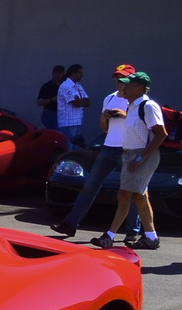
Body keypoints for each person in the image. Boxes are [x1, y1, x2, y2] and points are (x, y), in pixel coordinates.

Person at [51, 64, 142, 240]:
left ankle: (133, 231)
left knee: (130, 191)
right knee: (90, 186)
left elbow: (143, 128)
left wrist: (125, 115)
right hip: (108, 148)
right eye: (117, 78)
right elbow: (105, 129)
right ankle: (70, 224)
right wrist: (104, 118)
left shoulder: (138, 101)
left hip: (128, 150)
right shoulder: (109, 99)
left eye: (123, 79)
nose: (119, 82)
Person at [91, 69, 165, 251]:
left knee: (123, 195)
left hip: (141, 156)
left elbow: (161, 134)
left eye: (128, 85)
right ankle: (151, 237)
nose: (123, 87)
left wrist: (140, 158)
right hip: (131, 155)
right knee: (140, 197)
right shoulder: (131, 106)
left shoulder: (147, 106)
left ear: (139, 88)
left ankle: (109, 236)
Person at [56, 64, 89, 144]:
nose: (82, 75)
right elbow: (76, 103)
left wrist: (80, 100)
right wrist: (81, 101)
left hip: (77, 121)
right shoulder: (65, 86)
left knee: (76, 147)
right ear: (73, 73)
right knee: (69, 148)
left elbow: (88, 102)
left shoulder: (78, 86)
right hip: (68, 123)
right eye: (80, 73)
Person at [36, 64, 66, 131]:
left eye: (59, 73)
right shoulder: (47, 86)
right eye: (55, 73)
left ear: (63, 74)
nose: (57, 75)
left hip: (63, 115)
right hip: (50, 114)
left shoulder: (66, 86)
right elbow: (39, 103)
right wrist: (53, 99)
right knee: (55, 133)